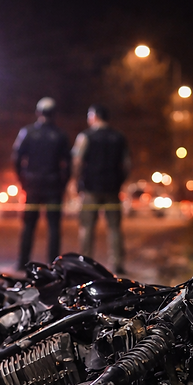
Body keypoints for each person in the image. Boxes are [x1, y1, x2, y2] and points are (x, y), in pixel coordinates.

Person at [11, 97, 72, 270]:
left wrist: (22, 179)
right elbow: (68, 163)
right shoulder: (60, 135)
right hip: (53, 185)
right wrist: (63, 183)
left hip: (33, 185)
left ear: (38, 112)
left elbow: (16, 157)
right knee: (54, 227)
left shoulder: (27, 132)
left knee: (28, 225)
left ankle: (23, 262)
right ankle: (54, 264)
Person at [72, 104, 131, 274]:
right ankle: (117, 263)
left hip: (90, 188)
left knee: (87, 227)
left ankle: (85, 262)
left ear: (95, 116)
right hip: (112, 188)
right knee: (114, 228)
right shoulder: (119, 137)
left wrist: (76, 181)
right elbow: (127, 163)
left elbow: (77, 160)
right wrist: (120, 181)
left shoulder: (86, 136)